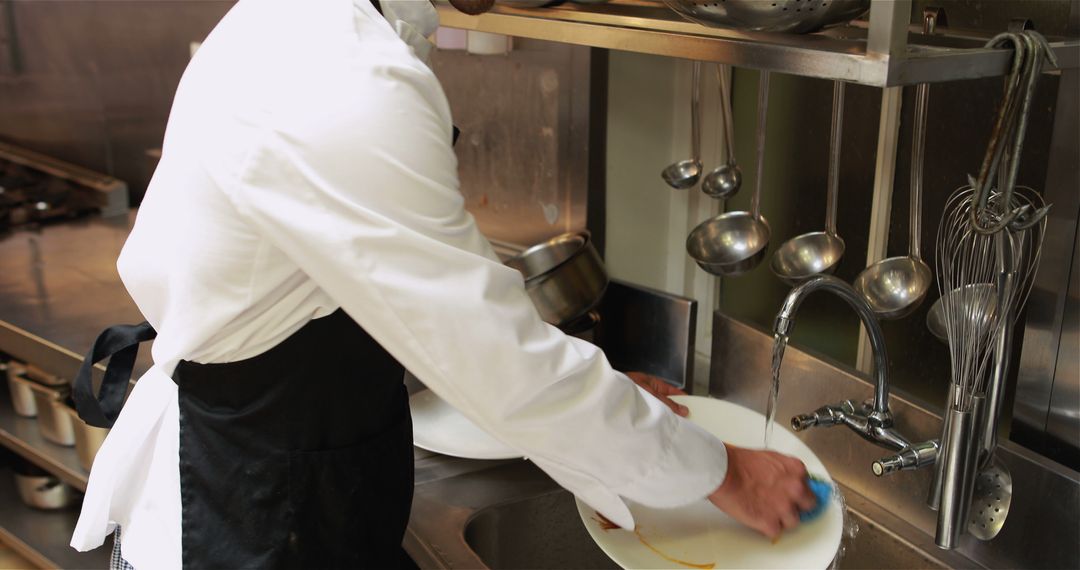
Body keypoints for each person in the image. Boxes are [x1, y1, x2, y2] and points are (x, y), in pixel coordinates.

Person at [69, 1, 815, 568]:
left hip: (304, 472)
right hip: (255, 515)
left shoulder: (328, 27)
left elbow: (440, 317)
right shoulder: (334, 80)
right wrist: (722, 471)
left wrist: (612, 413)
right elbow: (499, 362)